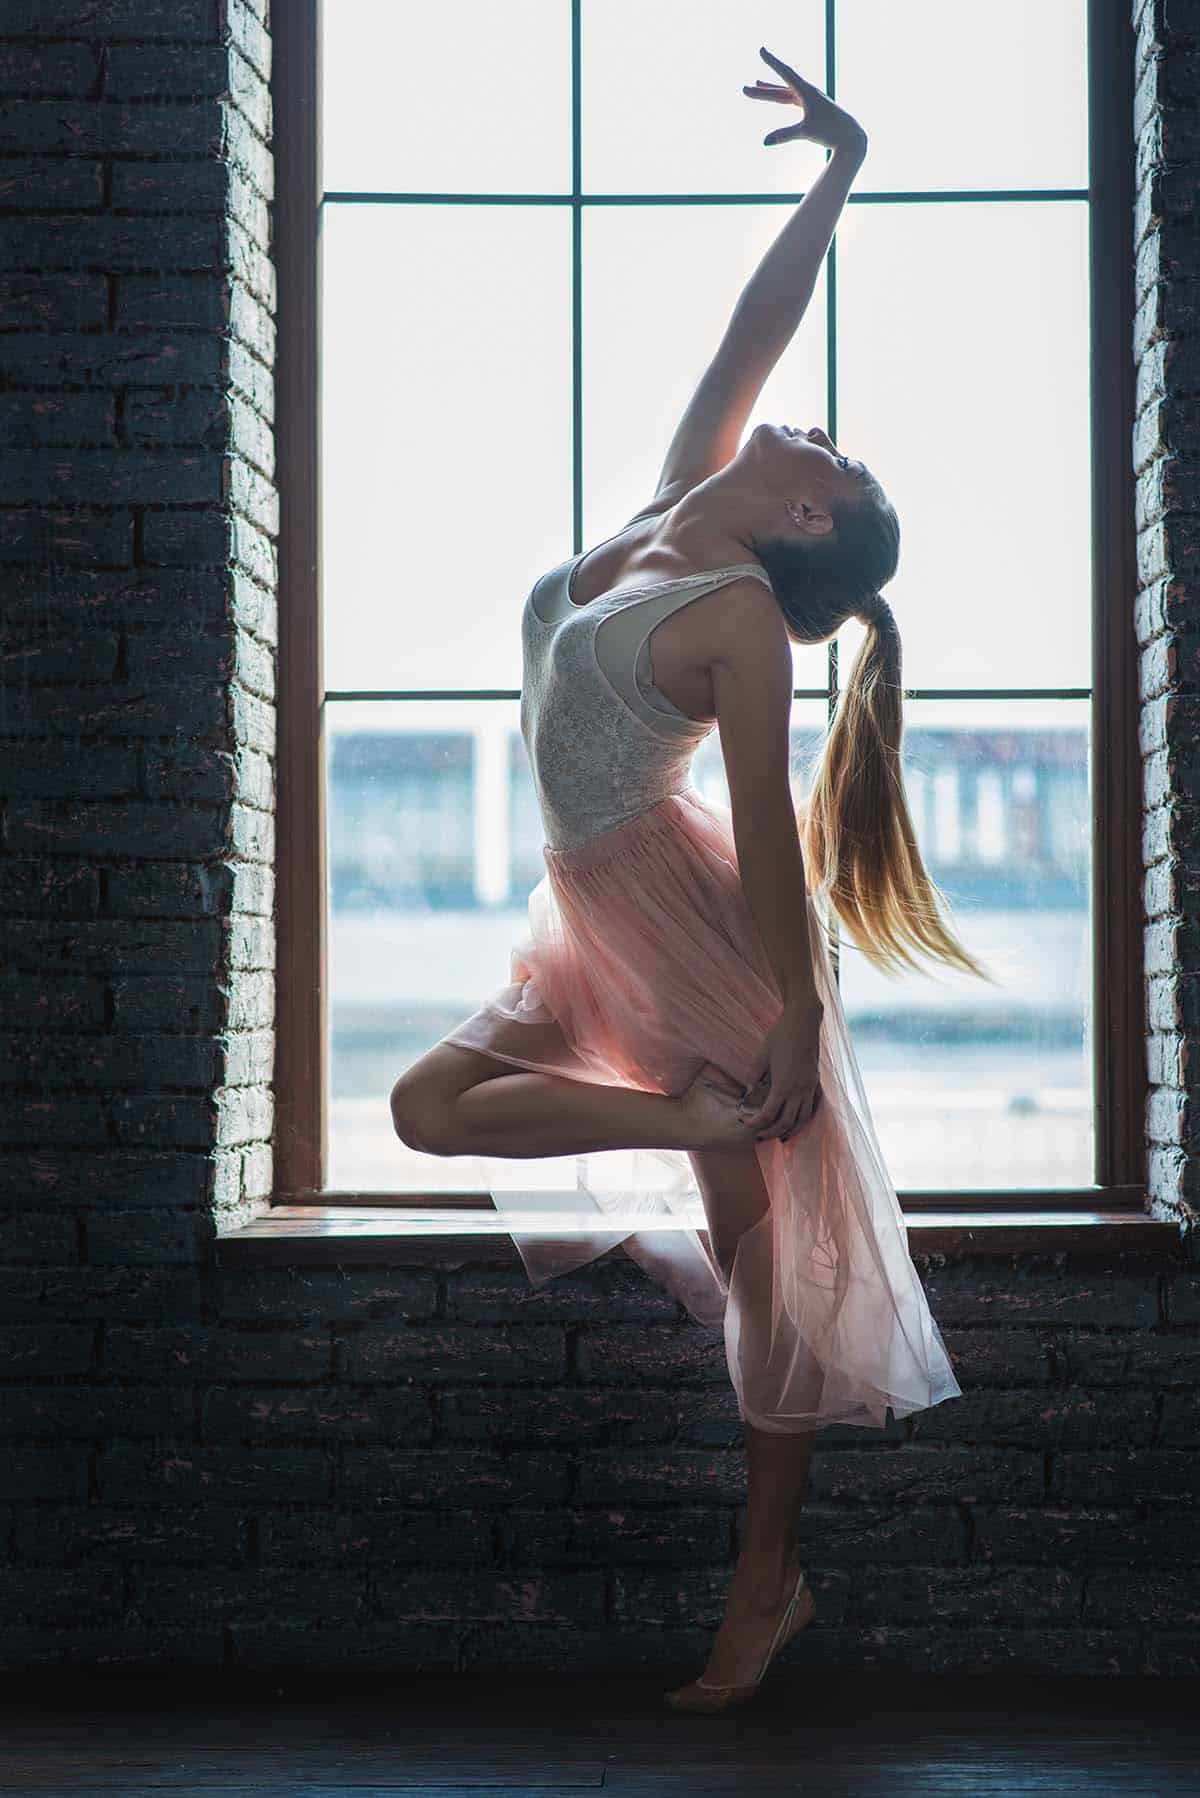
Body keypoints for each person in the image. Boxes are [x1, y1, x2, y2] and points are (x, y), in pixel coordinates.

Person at [389, 48, 989, 1713]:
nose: (814, 426)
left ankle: (760, 1586)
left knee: (771, 1269)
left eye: (836, 456)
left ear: (807, 512)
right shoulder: (675, 513)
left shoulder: (731, 619)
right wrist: (839, 169)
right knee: (432, 1109)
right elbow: (755, 331)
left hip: (692, 925)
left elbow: (773, 830)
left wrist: (794, 1013)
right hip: (595, 912)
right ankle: (702, 1144)